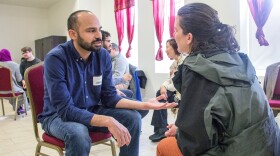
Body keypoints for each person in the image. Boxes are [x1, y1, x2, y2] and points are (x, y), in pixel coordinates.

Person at [39, 10, 177, 156]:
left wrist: (144, 104)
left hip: (90, 109)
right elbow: (65, 110)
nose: (98, 35)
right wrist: (107, 120)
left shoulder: (102, 55)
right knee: (78, 134)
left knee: (133, 118)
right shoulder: (56, 58)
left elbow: (109, 96)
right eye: (91, 31)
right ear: (73, 34)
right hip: (57, 116)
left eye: (99, 29)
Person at [157, 3, 280, 156]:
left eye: (176, 30)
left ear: (189, 37)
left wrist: (182, 133)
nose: (174, 34)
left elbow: (194, 145)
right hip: (269, 145)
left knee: (164, 146)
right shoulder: (238, 59)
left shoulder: (197, 69)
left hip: (239, 149)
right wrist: (183, 130)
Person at [149, 39, 186, 142]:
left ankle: (161, 130)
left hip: (183, 96)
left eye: (167, 47)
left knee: (161, 95)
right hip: (177, 92)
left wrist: (164, 87)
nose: (165, 50)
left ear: (175, 47)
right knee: (160, 93)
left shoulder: (184, 62)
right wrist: (163, 86)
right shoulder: (175, 63)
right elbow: (170, 80)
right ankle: (160, 129)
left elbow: (177, 83)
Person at [0, 49, 28, 115]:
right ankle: (21, 108)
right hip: (12, 91)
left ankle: (18, 107)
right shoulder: (14, 64)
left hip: (1, 92)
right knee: (20, 90)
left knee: (12, 87)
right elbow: (19, 79)